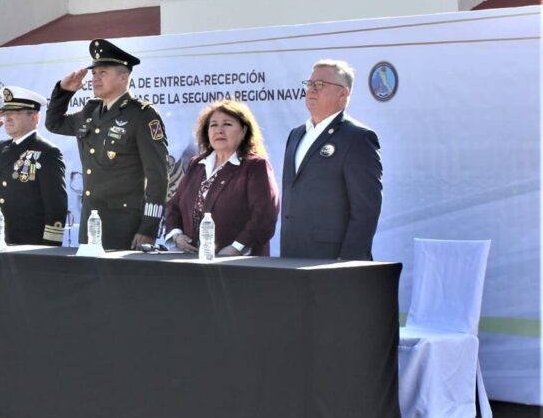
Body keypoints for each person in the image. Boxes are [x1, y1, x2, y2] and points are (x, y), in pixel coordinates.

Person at [45, 38, 169, 251]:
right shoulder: (90, 112)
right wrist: (63, 91)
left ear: (123, 77)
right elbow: (54, 124)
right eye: (94, 73)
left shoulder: (142, 115)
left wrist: (149, 228)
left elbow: (158, 177)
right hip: (90, 219)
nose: (95, 79)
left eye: (103, 73)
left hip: (125, 223)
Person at [280, 59, 383, 260]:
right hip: (291, 257)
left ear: (343, 93)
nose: (311, 89)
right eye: (309, 84)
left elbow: (366, 209)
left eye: (320, 85)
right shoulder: (296, 135)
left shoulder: (358, 138)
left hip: (332, 261)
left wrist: (348, 262)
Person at [164, 100, 279, 256]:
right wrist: (177, 236)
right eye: (213, 125)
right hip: (192, 263)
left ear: (244, 131)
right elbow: (174, 206)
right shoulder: (196, 164)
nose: (219, 130)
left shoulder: (256, 166)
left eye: (227, 124)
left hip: (239, 266)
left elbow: (264, 217)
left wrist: (236, 248)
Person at [0, 86, 68, 245]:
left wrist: (50, 248)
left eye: (15, 113)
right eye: (5, 113)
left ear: (34, 118)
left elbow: (55, 204)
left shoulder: (47, 152)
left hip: (29, 244)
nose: (7, 118)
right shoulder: (2, 148)